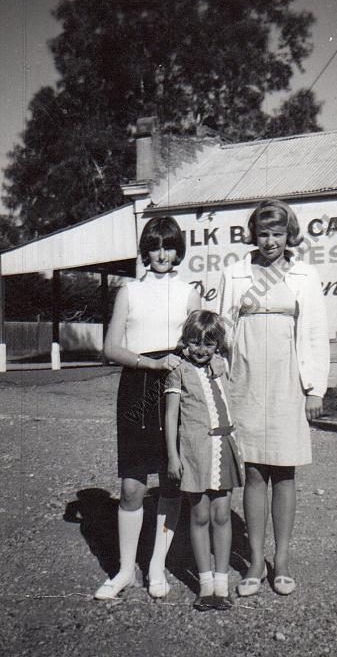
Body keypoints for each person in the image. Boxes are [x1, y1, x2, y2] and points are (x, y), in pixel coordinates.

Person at [218, 199, 329, 597]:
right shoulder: (234, 272)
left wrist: (315, 388)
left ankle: (280, 562)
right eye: (263, 233)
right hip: (244, 381)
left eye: (277, 234)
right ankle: (252, 562)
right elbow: (221, 327)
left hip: (287, 381)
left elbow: (315, 332)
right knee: (251, 472)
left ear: (288, 236)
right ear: (253, 235)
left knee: (284, 471)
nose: (269, 241)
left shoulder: (303, 272)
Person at [94, 216, 201, 600]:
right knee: (132, 486)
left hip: (176, 385)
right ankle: (124, 571)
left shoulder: (189, 291)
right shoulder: (129, 291)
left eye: (169, 246)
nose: (162, 254)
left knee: (171, 480)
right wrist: (150, 363)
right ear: (145, 250)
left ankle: (156, 567)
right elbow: (110, 348)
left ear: (178, 250)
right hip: (139, 386)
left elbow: (197, 344)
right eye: (155, 246)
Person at [165, 310, 244, 611]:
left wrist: (221, 358)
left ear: (218, 346)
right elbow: (171, 416)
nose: (201, 349)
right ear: (185, 342)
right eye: (195, 342)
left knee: (222, 515)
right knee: (199, 516)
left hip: (223, 448)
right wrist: (173, 456)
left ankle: (221, 585)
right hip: (195, 453)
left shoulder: (221, 367)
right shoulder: (178, 371)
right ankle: (205, 584)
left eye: (209, 344)